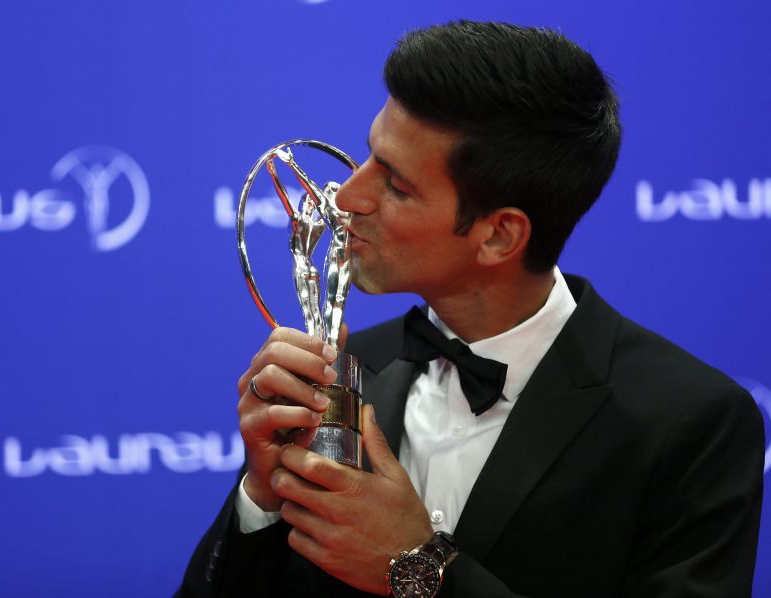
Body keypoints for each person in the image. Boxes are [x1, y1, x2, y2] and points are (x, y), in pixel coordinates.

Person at [177, 21, 764, 597]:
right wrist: (261, 497)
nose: (348, 198)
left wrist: (423, 569)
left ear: (499, 236)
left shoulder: (691, 424)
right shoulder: (345, 373)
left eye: (397, 186)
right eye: (368, 157)